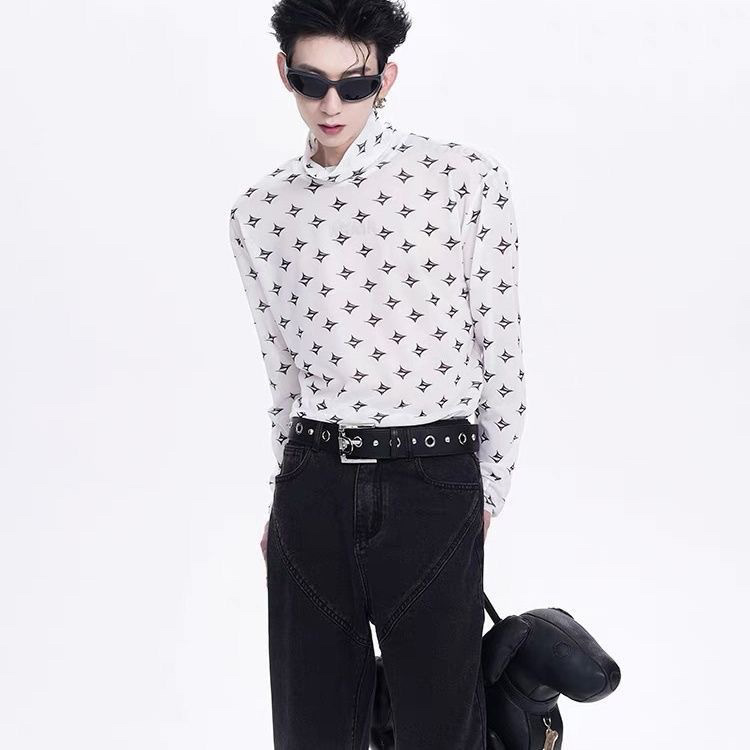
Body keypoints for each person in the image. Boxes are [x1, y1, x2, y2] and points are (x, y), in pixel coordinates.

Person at [227, 1, 526, 747]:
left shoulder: (464, 180)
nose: (331, 104)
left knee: (442, 732)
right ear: (284, 73)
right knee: (311, 732)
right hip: (314, 485)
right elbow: (282, 375)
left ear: (385, 79)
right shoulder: (259, 212)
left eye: (354, 84)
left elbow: (501, 353)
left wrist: (486, 492)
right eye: (311, 81)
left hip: (434, 478)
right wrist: (284, 497)